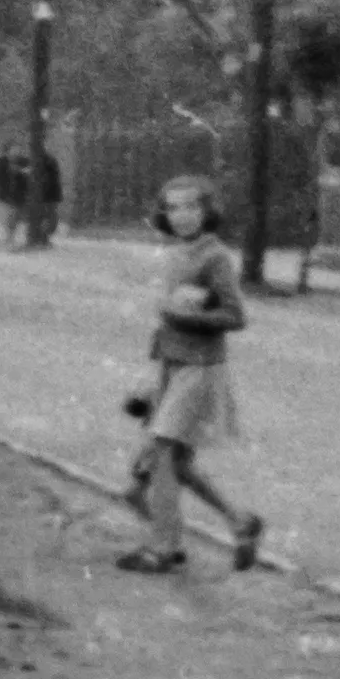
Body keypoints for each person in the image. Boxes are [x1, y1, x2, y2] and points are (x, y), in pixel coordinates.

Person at [118, 173, 259, 575]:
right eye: (173, 207)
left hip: (200, 369)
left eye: (191, 206)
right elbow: (165, 321)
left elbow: (235, 316)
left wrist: (185, 313)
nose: (182, 216)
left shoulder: (214, 257)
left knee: (161, 458)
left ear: (207, 210)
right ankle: (240, 522)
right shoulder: (176, 253)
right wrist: (150, 376)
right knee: (162, 472)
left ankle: (164, 548)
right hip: (171, 367)